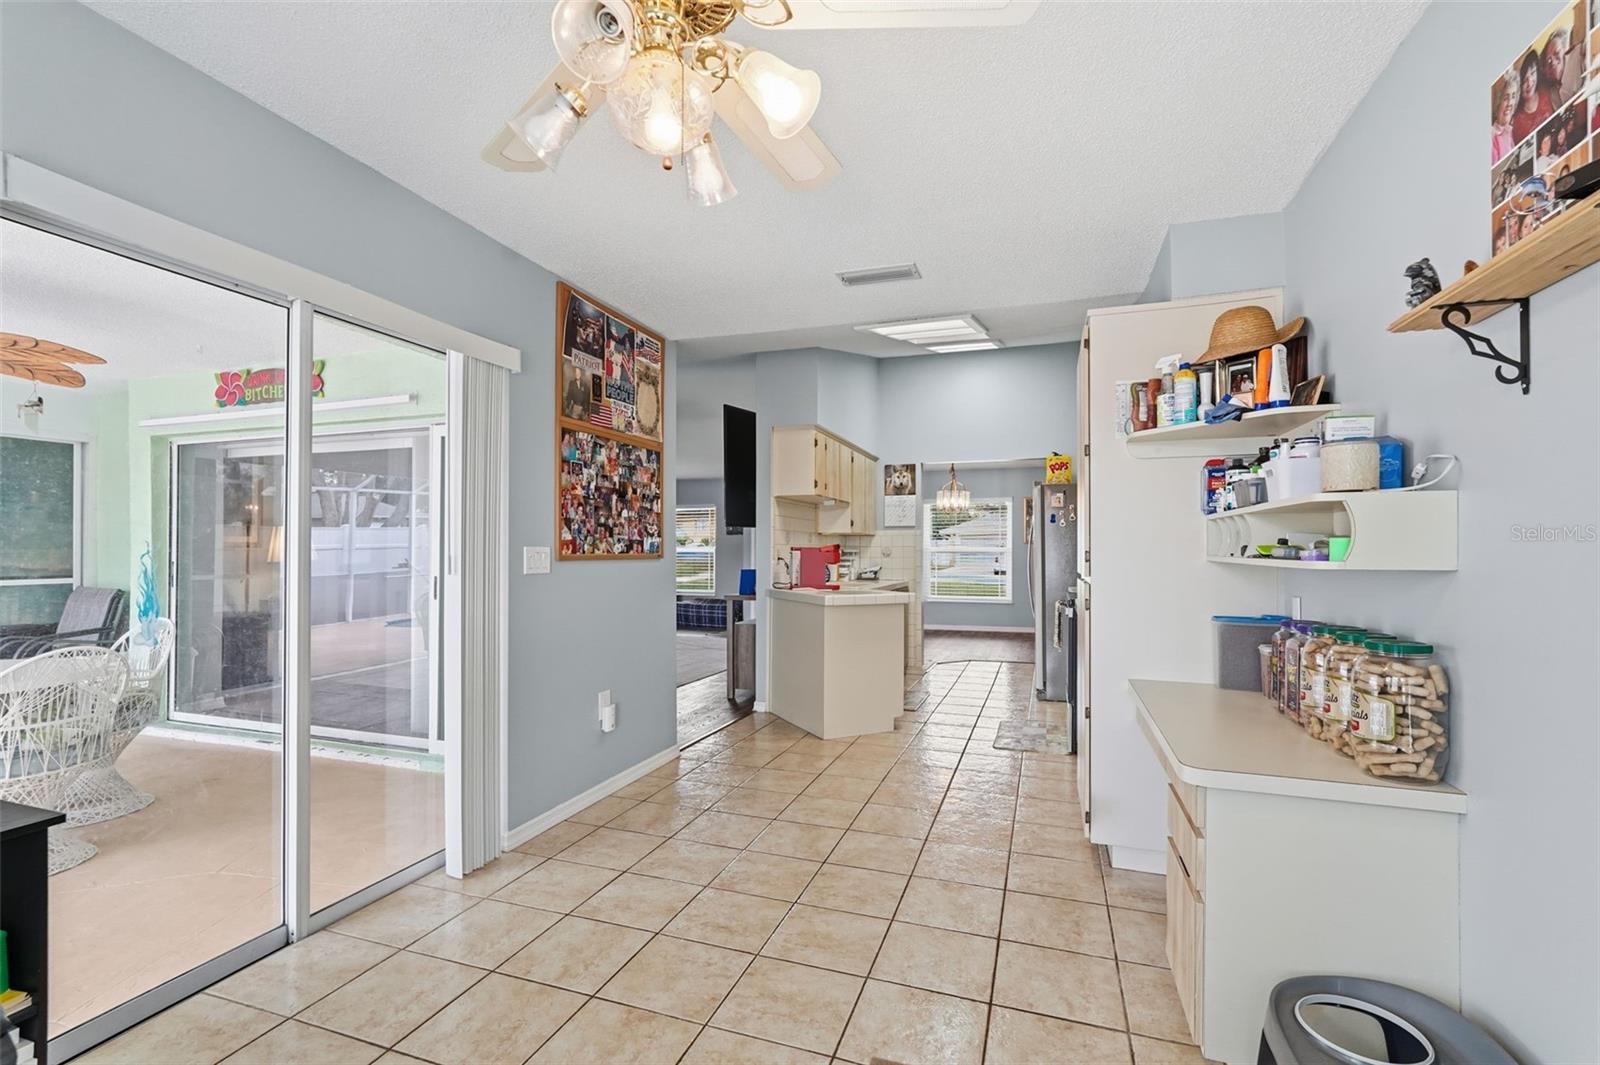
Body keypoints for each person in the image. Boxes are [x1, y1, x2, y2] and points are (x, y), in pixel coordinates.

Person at [1512, 50, 1552, 144]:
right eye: (1525, 79)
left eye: (1533, 73)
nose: (1530, 83)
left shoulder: (1546, 92)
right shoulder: (1517, 121)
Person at [1540, 25, 1575, 110]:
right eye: (1549, 59)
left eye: (1557, 53)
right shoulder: (1552, 94)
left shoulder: (1577, 65)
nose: (1552, 62)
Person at [1491, 73, 1518, 163]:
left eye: (1513, 96)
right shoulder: (1492, 136)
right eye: (1506, 98)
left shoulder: (1512, 130)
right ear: (1498, 102)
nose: (1510, 103)